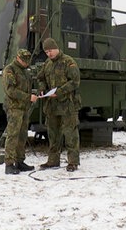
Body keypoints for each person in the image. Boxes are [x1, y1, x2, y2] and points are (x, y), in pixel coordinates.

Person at [37, 38, 81, 172]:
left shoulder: (68, 62)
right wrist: (42, 88)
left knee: (70, 133)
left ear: (56, 48)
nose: (48, 54)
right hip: (52, 105)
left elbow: (75, 81)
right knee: (53, 134)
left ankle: (73, 162)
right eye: (46, 52)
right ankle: (53, 161)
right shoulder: (47, 64)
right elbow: (40, 78)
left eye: (50, 51)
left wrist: (60, 92)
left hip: (67, 104)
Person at [2, 48, 38, 175]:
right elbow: (10, 91)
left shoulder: (25, 72)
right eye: (24, 61)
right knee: (13, 135)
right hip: (14, 108)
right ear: (18, 58)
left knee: (22, 136)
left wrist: (32, 95)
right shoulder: (9, 70)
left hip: (24, 108)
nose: (26, 63)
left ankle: (20, 161)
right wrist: (28, 97)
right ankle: (9, 164)